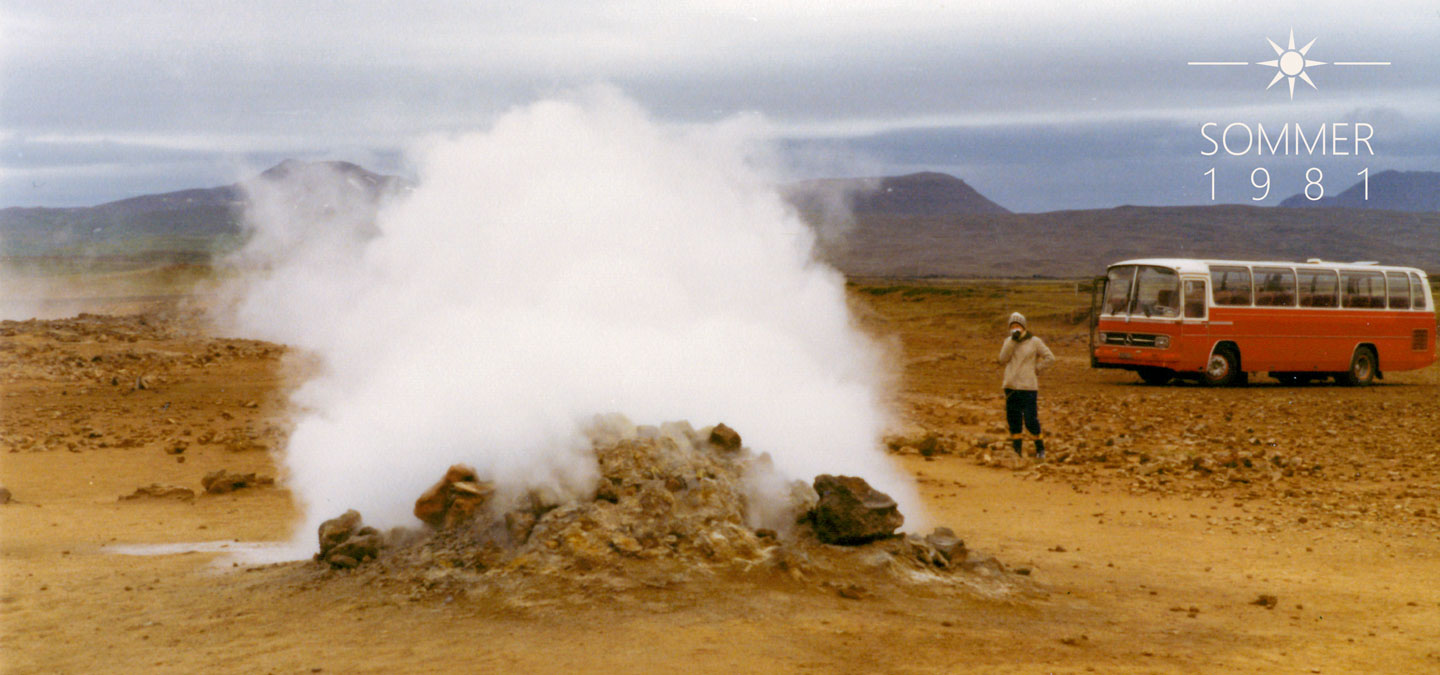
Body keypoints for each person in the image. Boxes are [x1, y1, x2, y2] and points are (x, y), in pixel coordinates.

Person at [997, 312, 1055, 459]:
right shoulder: (1008, 341)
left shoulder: (1035, 341)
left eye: (1018, 326)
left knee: (1030, 420)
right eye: (1012, 326)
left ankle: (1040, 449)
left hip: (1028, 387)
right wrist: (1012, 341)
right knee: (1014, 420)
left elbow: (1050, 357)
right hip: (1011, 387)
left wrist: (1037, 368)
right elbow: (1002, 359)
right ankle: (1017, 451)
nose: (1015, 328)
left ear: (1024, 327)